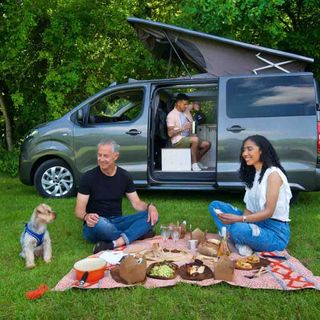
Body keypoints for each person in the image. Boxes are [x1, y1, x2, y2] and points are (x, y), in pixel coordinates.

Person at [208, 135, 292, 256]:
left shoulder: (273, 174)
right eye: (243, 150)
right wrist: (241, 220)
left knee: (237, 228)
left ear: (262, 150)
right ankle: (237, 240)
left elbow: (269, 212)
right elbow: (249, 209)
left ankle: (230, 236)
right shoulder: (254, 174)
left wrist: (240, 220)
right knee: (215, 206)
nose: (244, 153)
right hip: (255, 222)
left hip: (275, 233)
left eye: (249, 149)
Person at [75, 139, 159, 253]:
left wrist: (151, 206)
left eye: (105, 156)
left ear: (115, 156)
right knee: (103, 225)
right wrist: (86, 217)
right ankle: (136, 234)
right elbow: (79, 211)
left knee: (151, 216)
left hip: (117, 221)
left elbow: (137, 204)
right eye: (99, 155)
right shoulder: (88, 177)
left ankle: (114, 243)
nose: (101, 159)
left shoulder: (124, 176)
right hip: (96, 224)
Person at [166, 93, 211, 171]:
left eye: (187, 104)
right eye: (185, 104)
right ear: (178, 103)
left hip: (188, 137)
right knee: (195, 139)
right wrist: (183, 128)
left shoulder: (185, 109)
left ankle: (196, 161)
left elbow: (193, 104)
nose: (187, 106)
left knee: (207, 144)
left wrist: (196, 106)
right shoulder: (171, 115)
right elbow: (170, 133)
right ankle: (194, 164)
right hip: (178, 140)